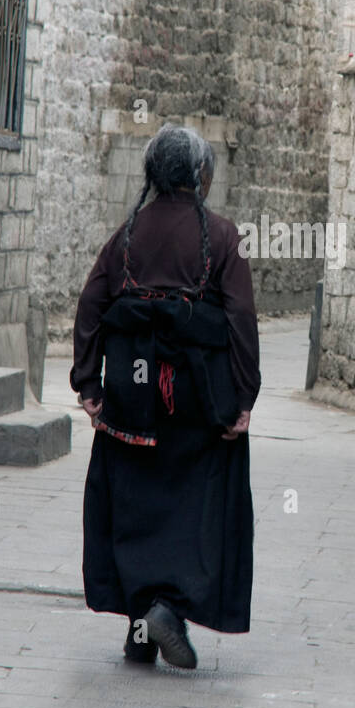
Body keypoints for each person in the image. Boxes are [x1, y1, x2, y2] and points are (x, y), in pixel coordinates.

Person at [70, 124, 260, 669]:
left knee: (133, 504)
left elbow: (90, 306)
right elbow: (242, 320)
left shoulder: (125, 237)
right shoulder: (223, 238)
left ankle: (140, 625)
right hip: (198, 404)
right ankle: (166, 612)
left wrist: (89, 384)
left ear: (152, 174)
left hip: (131, 399)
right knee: (193, 508)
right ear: (201, 176)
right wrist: (243, 396)